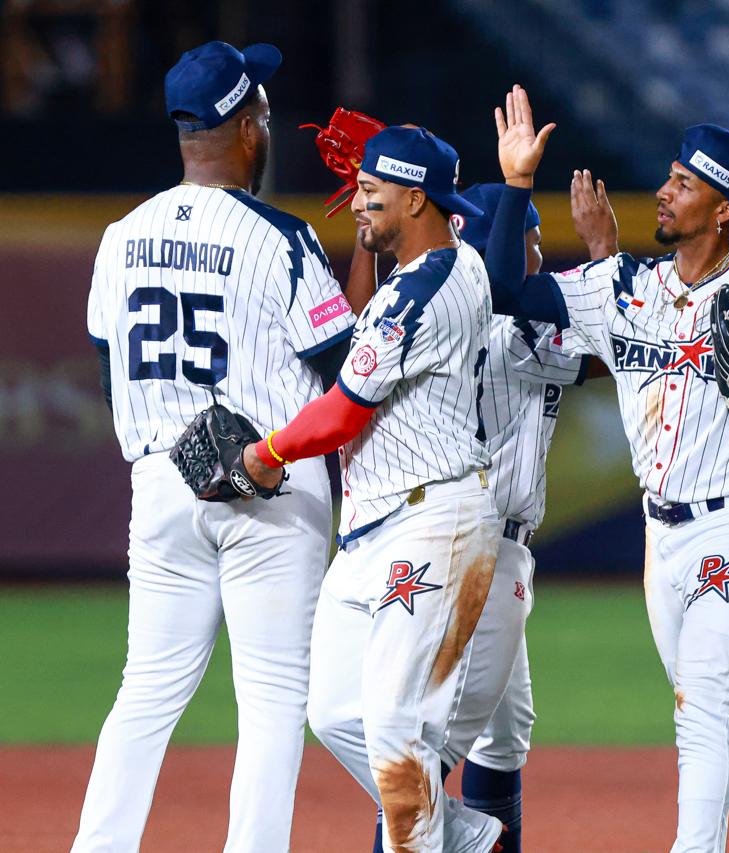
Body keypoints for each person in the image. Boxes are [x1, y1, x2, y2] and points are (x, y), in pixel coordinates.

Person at [484, 85, 729, 853]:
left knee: (704, 703)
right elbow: (510, 289)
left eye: (686, 182)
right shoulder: (626, 287)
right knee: (720, 708)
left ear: (723, 211)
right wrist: (518, 184)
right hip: (664, 533)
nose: (665, 188)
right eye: (672, 174)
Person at [75, 41, 356, 852]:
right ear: (244, 127)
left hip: (163, 483)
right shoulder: (282, 238)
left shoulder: (120, 236)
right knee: (271, 698)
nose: (269, 126)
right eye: (263, 113)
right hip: (271, 482)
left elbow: (107, 369)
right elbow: (348, 374)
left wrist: (169, 455)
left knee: (147, 690)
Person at [242, 125, 503, 852]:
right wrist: (378, 191)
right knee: (332, 712)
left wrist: (266, 451)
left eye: (370, 192)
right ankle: (459, 833)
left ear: (415, 198)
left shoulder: (418, 295)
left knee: (393, 724)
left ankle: (434, 839)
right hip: (375, 526)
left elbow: (340, 411)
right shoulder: (458, 263)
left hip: (431, 518)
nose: (355, 202)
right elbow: (365, 331)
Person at [362, 177, 616, 853]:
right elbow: (612, 350)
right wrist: (603, 255)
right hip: (475, 554)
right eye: (530, 239)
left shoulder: (447, 313)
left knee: (503, 730)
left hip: (449, 543)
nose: (538, 252)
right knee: (425, 749)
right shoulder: (508, 326)